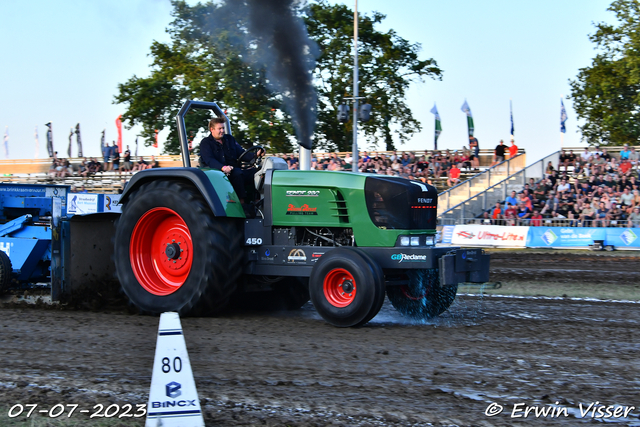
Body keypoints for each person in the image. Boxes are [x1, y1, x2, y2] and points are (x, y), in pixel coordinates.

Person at [199, 117, 265, 204]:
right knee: (238, 173)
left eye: (223, 128)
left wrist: (255, 155)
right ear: (212, 129)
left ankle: (257, 201)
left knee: (258, 172)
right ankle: (241, 204)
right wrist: (222, 167)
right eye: (220, 128)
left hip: (234, 169)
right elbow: (209, 160)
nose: (222, 130)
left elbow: (241, 153)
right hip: (218, 172)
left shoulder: (229, 139)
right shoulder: (206, 143)